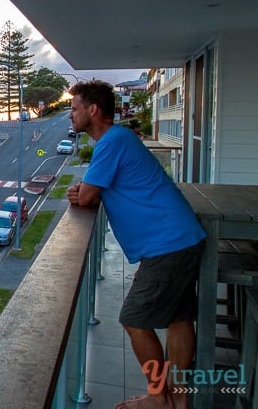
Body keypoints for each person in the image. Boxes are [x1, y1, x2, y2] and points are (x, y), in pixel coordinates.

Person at [66, 80, 206, 409]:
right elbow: (90, 190)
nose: (70, 116)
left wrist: (82, 191)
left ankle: (158, 397)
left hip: (167, 245)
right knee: (179, 317)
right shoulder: (119, 139)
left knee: (134, 319)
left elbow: (85, 196)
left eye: (74, 109)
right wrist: (85, 189)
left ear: (93, 110)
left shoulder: (111, 141)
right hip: (182, 237)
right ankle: (179, 399)